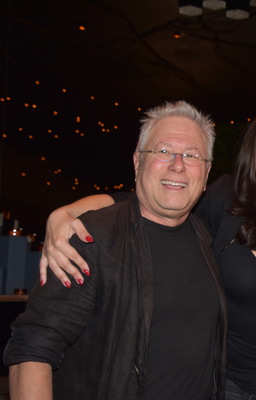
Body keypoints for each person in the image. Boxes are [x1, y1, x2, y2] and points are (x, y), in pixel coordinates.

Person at [36, 107, 256, 400]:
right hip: (224, 386)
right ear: (251, 161)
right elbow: (150, 197)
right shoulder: (226, 204)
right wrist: (68, 212)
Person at [3, 100, 227, 400]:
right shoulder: (90, 238)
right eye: (163, 151)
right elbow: (33, 349)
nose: (178, 164)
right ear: (138, 162)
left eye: (192, 155)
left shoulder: (206, 236)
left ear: (207, 171)